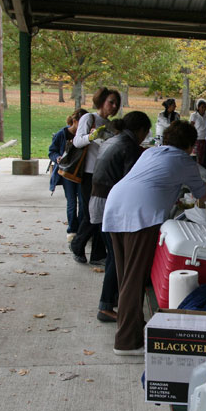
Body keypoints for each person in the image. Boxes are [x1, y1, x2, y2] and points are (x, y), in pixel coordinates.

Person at [103, 121, 206, 354]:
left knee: (126, 278)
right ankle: (126, 342)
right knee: (134, 280)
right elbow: (204, 194)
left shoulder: (151, 152)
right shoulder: (185, 161)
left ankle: (133, 328)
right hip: (141, 215)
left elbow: (156, 181)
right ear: (191, 146)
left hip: (116, 205)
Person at [90, 111, 151, 323]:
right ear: (140, 130)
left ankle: (111, 301)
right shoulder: (129, 146)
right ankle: (106, 306)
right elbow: (132, 182)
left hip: (98, 200)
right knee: (118, 258)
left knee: (116, 256)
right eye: (146, 133)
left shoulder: (114, 139)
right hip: (108, 203)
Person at [70, 87, 121, 265]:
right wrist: (91, 136)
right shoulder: (89, 118)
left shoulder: (111, 125)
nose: (114, 106)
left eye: (116, 103)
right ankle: (77, 245)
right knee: (90, 214)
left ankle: (98, 254)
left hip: (106, 174)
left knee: (102, 214)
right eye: (111, 102)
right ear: (101, 101)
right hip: (89, 173)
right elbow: (77, 141)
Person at [49, 109, 88, 242]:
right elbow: (52, 151)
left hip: (81, 173)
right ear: (75, 121)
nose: (85, 127)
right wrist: (57, 158)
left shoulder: (86, 136)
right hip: (67, 174)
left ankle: (82, 231)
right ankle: (72, 230)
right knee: (71, 203)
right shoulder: (62, 134)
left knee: (83, 203)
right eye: (82, 123)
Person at [190, 99, 206, 165]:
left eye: (205, 107)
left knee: (205, 157)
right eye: (202, 107)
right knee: (197, 156)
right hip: (198, 138)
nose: (203, 109)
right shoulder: (194, 115)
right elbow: (191, 126)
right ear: (198, 107)